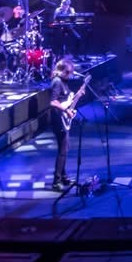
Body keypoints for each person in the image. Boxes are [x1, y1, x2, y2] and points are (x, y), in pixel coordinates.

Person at [46, 60, 81, 190]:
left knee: (64, 149)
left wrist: (77, 96)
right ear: (61, 70)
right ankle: (56, 181)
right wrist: (66, 111)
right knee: (62, 150)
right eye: (67, 72)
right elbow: (53, 102)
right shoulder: (57, 82)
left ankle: (64, 177)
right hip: (58, 119)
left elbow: (65, 100)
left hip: (62, 118)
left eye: (71, 72)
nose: (70, 74)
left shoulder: (63, 82)